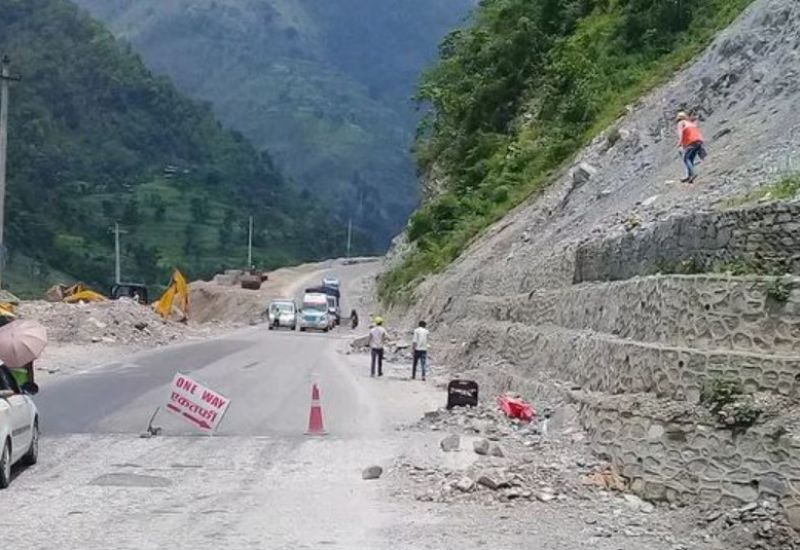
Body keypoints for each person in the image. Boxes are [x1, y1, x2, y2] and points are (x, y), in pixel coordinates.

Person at [676, 111, 706, 183]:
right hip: (698, 141)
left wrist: (679, 143)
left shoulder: (681, 123)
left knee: (686, 159)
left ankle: (693, 174)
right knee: (690, 159)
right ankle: (689, 176)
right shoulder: (690, 123)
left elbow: (680, 134)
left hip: (691, 142)